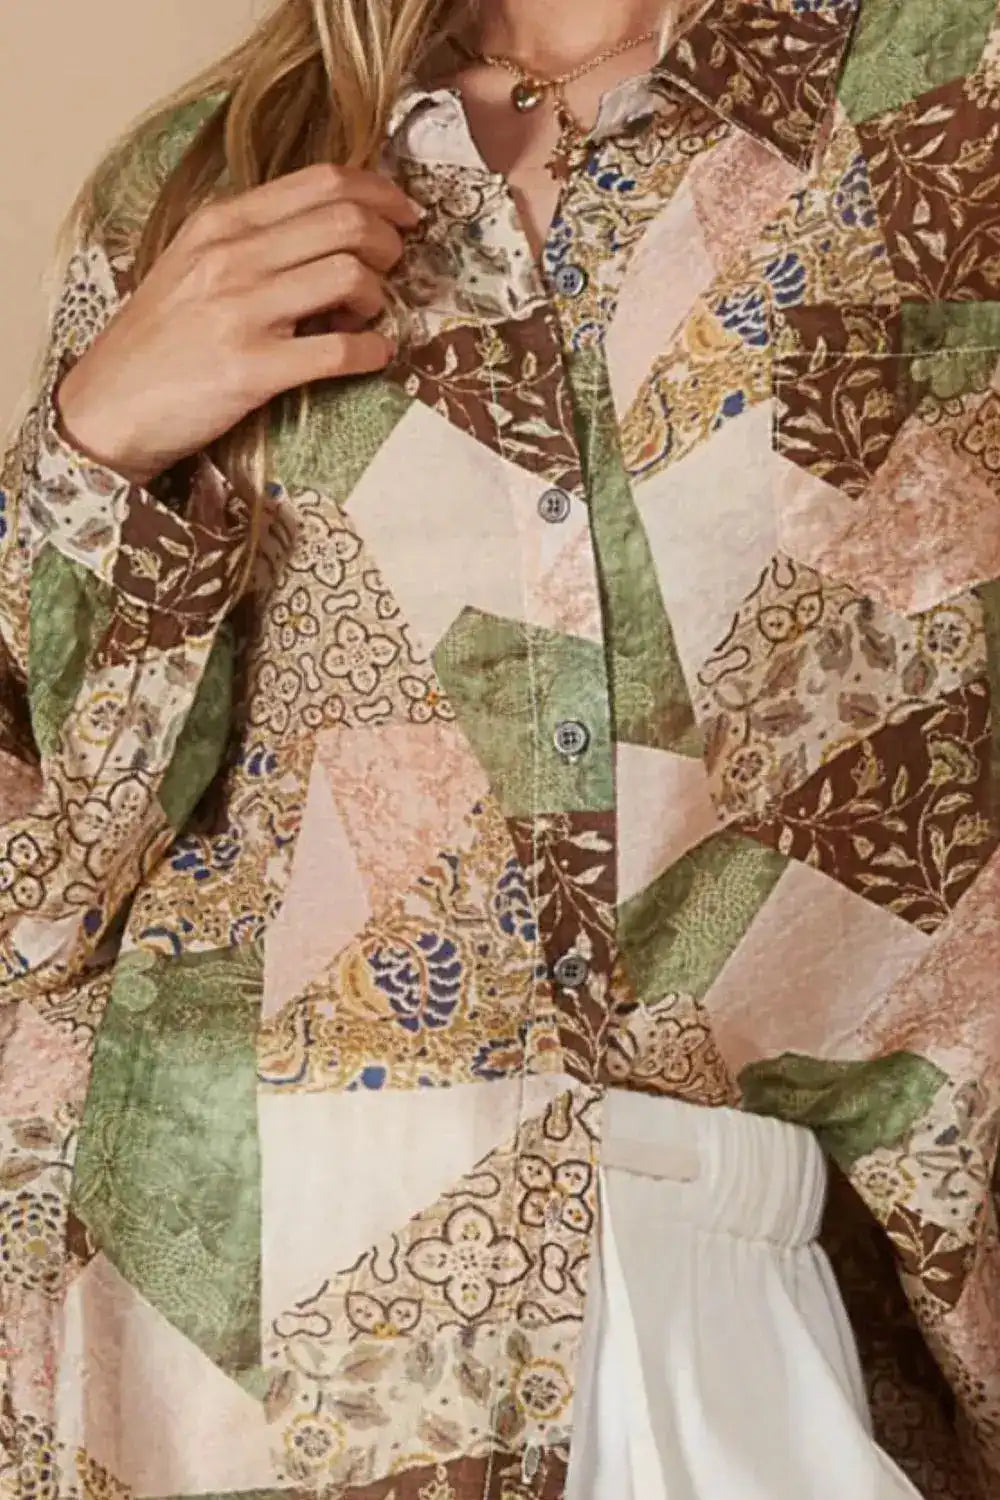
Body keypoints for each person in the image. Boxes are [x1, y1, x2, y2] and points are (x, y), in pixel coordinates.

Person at [0, 0, 997, 1495]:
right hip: (218, 1345)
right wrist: (94, 449)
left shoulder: (947, 92)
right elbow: (46, 886)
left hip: (725, 1300)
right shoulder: (209, 177)